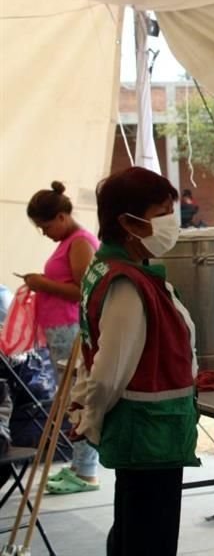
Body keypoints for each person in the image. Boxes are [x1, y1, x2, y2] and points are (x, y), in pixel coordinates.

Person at [73, 167, 198, 556]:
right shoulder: (125, 283)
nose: (171, 223)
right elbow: (109, 372)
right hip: (148, 434)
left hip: (148, 434)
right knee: (149, 540)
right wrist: (92, 419)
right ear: (128, 222)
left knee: (133, 533)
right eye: (162, 212)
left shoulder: (113, 269)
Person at [23, 181, 100, 494]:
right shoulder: (68, 242)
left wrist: (42, 284)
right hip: (59, 332)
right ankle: (78, 465)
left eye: (45, 226)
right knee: (69, 400)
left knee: (77, 399)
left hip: (72, 330)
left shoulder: (80, 241)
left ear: (61, 217)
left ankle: (85, 470)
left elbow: (84, 291)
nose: (44, 233)